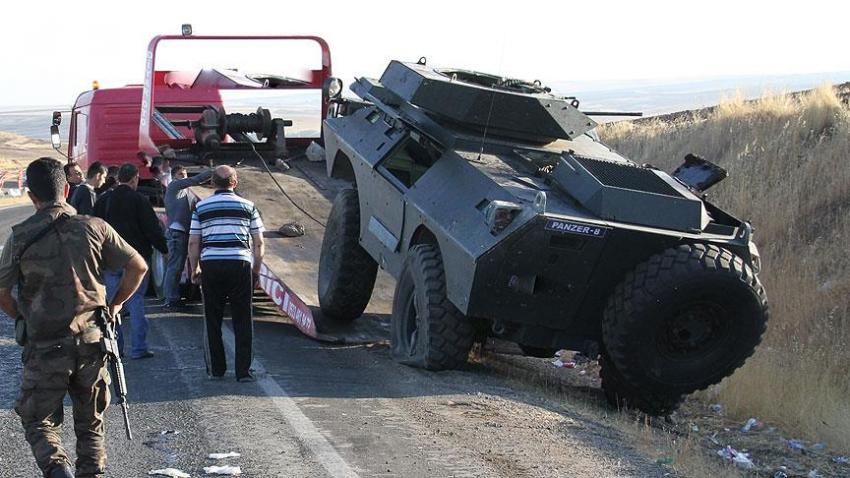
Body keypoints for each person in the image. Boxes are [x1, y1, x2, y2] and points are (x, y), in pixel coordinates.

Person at [0, 157, 147, 478]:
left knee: (37, 419)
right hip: (92, 343)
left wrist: (22, 316)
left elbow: (2, 289)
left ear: (31, 195)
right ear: (66, 189)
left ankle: (57, 469)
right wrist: (115, 305)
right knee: (90, 423)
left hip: (45, 346)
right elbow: (138, 266)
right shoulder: (95, 228)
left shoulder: (20, 236)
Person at [189, 165, 264, 382]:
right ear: (235, 182)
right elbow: (258, 242)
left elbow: (194, 241)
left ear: (212, 183)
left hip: (212, 264)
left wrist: (195, 268)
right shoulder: (248, 206)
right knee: (243, 318)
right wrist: (256, 271)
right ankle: (243, 372)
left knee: (212, 319)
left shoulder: (201, 207)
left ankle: (216, 369)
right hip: (239, 264)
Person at [93, 163, 167, 359]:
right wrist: (165, 249)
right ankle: (139, 348)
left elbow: (93, 229)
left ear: (118, 179)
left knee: (112, 304)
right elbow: (152, 230)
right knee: (136, 302)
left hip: (111, 261)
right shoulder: (139, 200)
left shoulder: (104, 200)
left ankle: (115, 348)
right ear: (134, 179)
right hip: (136, 261)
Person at [162, 165, 213, 308]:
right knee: (175, 267)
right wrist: (214, 172)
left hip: (184, 232)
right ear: (173, 176)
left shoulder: (186, 192)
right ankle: (170, 299)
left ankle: (178, 296)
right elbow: (195, 180)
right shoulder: (174, 186)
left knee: (179, 266)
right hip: (177, 232)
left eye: (185, 174)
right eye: (180, 174)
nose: (184, 176)